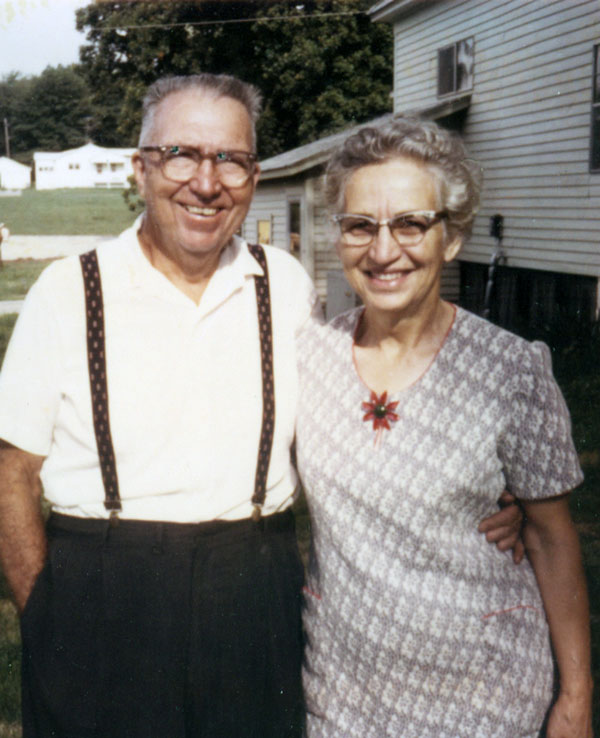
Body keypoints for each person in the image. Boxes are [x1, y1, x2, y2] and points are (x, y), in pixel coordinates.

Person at [0, 75, 521, 738]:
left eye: (232, 160)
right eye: (182, 154)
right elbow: (10, 470)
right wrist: (43, 610)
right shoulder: (68, 292)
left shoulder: (285, 284)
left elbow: (350, 420)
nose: (206, 183)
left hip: (255, 589)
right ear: (141, 167)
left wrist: (486, 491)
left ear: (253, 174)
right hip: (104, 595)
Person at [296, 118, 593, 738]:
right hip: (345, 691)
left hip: (481, 696)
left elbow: (552, 539)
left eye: (410, 224)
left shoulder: (511, 370)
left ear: (451, 236)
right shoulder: (308, 355)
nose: (383, 251)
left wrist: (577, 697)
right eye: (360, 226)